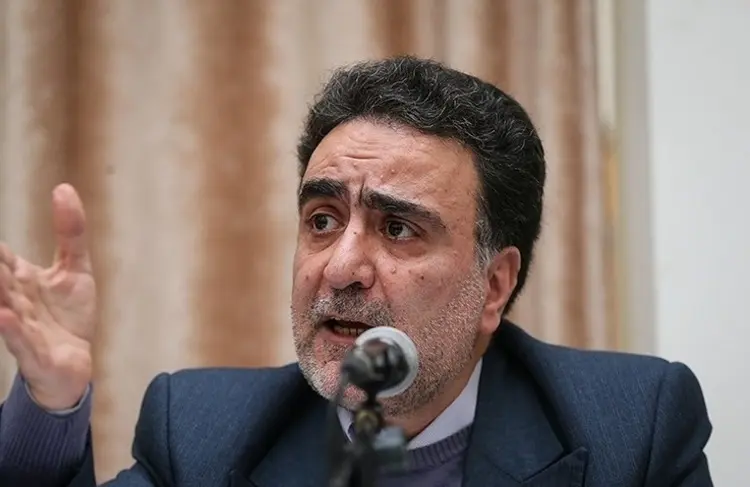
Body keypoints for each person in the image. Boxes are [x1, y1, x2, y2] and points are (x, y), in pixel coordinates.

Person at [0, 56, 712, 487]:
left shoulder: (631, 429)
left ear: (494, 285)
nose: (339, 267)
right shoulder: (200, 432)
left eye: (398, 228)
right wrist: (52, 403)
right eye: (322, 219)